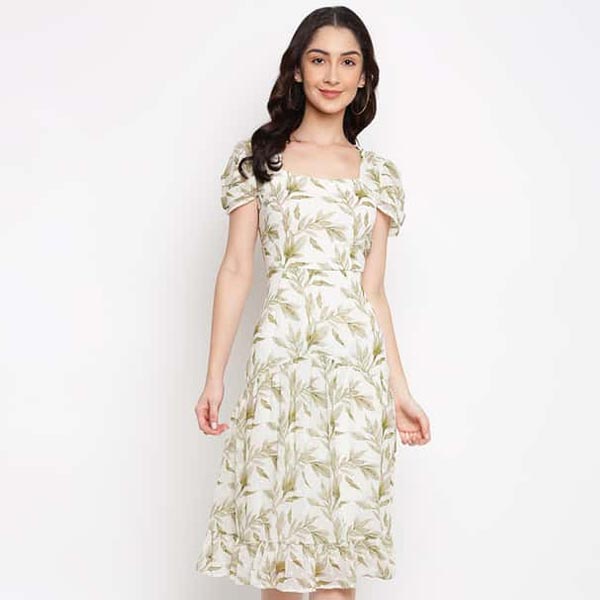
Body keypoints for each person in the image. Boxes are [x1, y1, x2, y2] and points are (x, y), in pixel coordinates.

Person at [194, 6, 431, 599]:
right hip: (282, 371)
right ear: (297, 70)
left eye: (348, 62)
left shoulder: (378, 174)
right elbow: (237, 269)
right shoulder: (260, 159)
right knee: (281, 562)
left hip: (353, 378)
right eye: (319, 59)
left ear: (364, 76)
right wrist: (214, 376)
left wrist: (400, 392)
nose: (332, 74)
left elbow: (373, 291)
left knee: (334, 569)